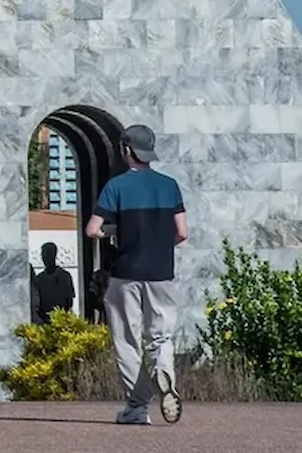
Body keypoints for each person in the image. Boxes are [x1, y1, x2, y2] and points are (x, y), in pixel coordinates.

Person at [84, 124, 187, 426]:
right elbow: (182, 232)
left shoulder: (117, 186)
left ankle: (138, 407)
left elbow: (92, 230)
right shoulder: (170, 185)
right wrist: (155, 242)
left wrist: (117, 231)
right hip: (161, 272)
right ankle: (163, 372)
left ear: (126, 150)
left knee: (127, 339)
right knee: (160, 335)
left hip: (126, 274)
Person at [33, 242, 76, 322]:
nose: (45, 258)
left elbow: (69, 301)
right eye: (43, 255)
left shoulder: (65, 276)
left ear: (54, 255)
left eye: (48, 254)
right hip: (43, 320)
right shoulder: (39, 279)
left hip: (61, 319)